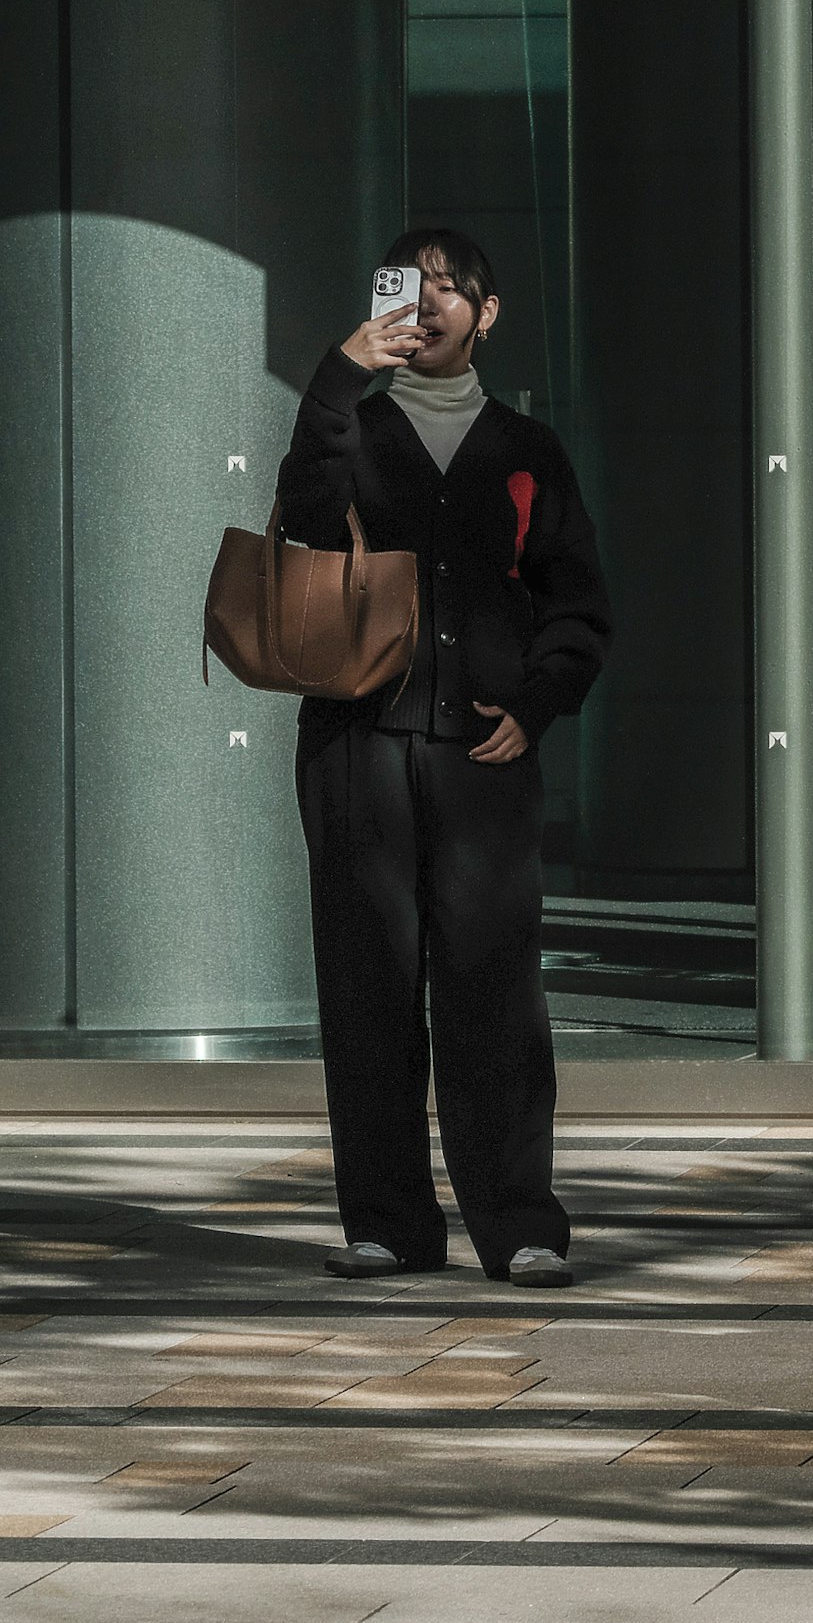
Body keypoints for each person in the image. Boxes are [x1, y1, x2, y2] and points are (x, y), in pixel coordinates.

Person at [278, 230, 611, 1288]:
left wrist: (539, 702)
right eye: (405, 293)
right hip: (356, 746)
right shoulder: (354, 428)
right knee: (366, 985)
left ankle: (518, 1226)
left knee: (493, 989)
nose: (426, 309)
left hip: (483, 751)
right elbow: (300, 507)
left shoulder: (526, 448)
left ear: (487, 313)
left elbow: (577, 602)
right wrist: (340, 374)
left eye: (448, 292)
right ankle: (388, 1224)